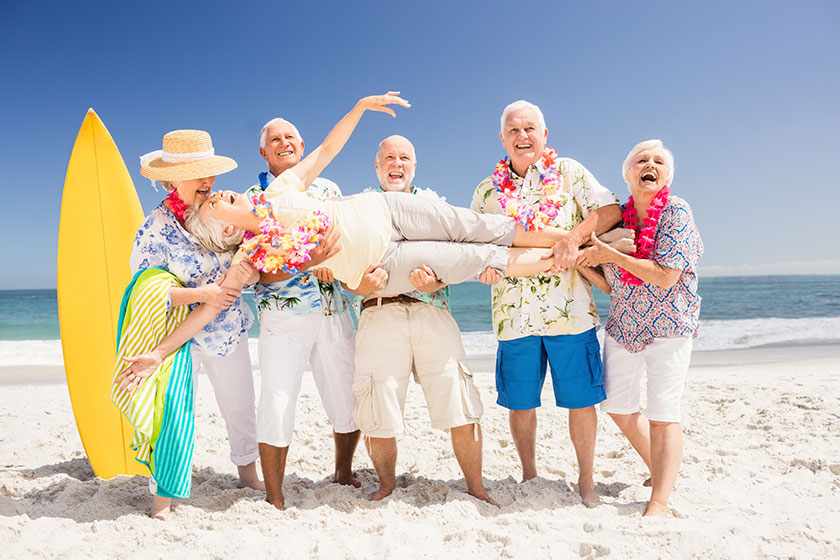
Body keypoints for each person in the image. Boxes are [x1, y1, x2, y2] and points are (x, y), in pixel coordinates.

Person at [470, 100, 622, 508]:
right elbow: (472, 245)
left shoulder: (570, 172)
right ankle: (529, 474)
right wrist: (480, 268)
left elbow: (610, 210)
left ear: (544, 134)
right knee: (520, 404)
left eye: (530, 129)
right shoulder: (486, 190)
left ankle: (586, 483)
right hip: (512, 316)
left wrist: (572, 238)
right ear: (503, 138)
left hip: (570, 310)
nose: (523, 137)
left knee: (582, 400)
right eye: (514, 131)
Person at [125, 129, 263, 519]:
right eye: (196, 173)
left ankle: (248, 475)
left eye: (209, 172)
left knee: (239, 407)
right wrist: (201, 294)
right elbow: (147, 291)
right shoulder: (153, 229)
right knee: (172, 415)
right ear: (172, 180)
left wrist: (247, 273)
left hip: (227, 330)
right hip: (179, 339)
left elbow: (254, 251)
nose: (207, 182)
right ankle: (162, 499)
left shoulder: (224, 210)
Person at [347, 135, 490, 502]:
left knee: (459, 398)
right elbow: (343, 269)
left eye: (404, 158)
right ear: (376, 166)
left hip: (433, 311)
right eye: (389, 158)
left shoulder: (435, 207)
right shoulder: (359, 209)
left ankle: (476, 486)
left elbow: (461, 255)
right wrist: (360, 284)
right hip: (379, 312)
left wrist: (438, 280)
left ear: (414, 166)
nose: (397, 164)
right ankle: (386, 484)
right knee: (378, 401)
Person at [576, 139, 703, 517]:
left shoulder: (677, 212)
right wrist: (579, 260)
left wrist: (608, 254)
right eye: (641, 160)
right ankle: (662, 467)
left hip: (669, 326)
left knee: (664, 412)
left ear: (667, 174)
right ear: (628, 174)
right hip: (624, 326)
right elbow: (610, 283)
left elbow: (665, 276)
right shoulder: (621, 221)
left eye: (659, 161)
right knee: (618, 406)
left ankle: (660, 501)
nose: (650, 165)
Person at [246, 117, 360, 510]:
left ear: (302, 143)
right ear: (264, 152)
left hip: (334, 306)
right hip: (283, 312)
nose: (283, 143)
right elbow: (255, 269)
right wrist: (305, 262)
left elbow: (349, 239)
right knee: (277, 399)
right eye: (274, 140)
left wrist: (338, 262)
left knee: (345, 393)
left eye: (289, 137)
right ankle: (275, 494)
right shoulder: (252, 199)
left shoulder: (328, 189)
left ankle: (343, 472)